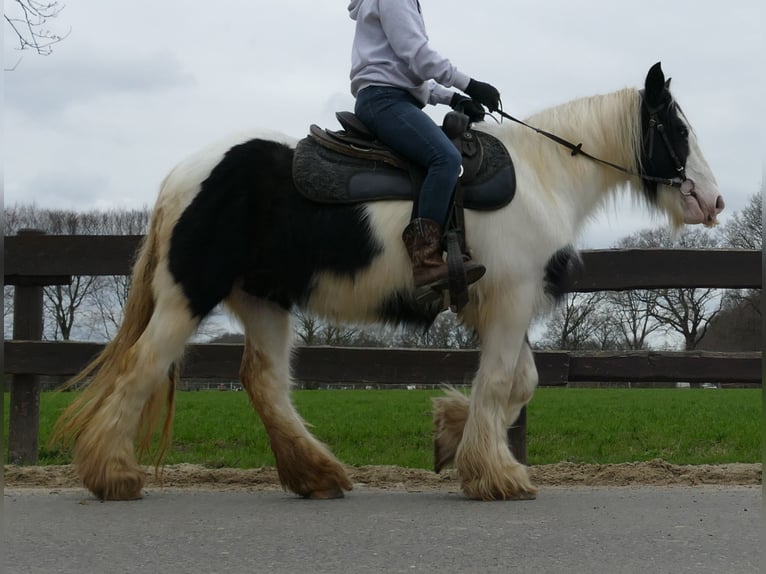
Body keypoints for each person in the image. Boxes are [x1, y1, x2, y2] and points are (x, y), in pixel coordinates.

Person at [348, 0, 501, 292]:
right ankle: (425, 260)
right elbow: (418, 57)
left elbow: (403, 69)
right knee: (445, 159)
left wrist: (452, 99)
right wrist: (469, 85)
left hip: (390, 96)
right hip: (385, 100)